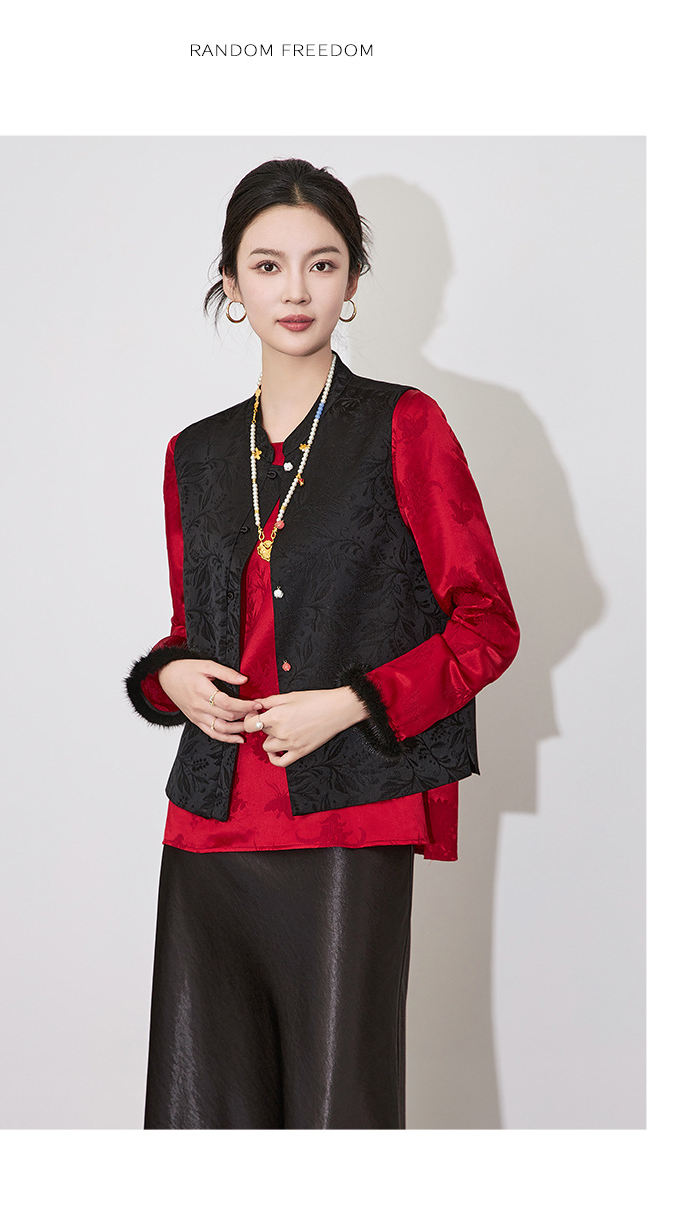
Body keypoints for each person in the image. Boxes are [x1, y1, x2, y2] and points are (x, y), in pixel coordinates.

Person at [125, 158, 519, 1130]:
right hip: (209, 830)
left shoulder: (405, 426)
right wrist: (170, 676)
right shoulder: (194, 453)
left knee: (340, 1112)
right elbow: (195, 629)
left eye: (322, 263)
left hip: (348, 820)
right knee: (205, 1113)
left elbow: (485, 624)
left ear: (351, 283)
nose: (294, 289)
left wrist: (351, 701)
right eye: (267, 265)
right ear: (231, 283)